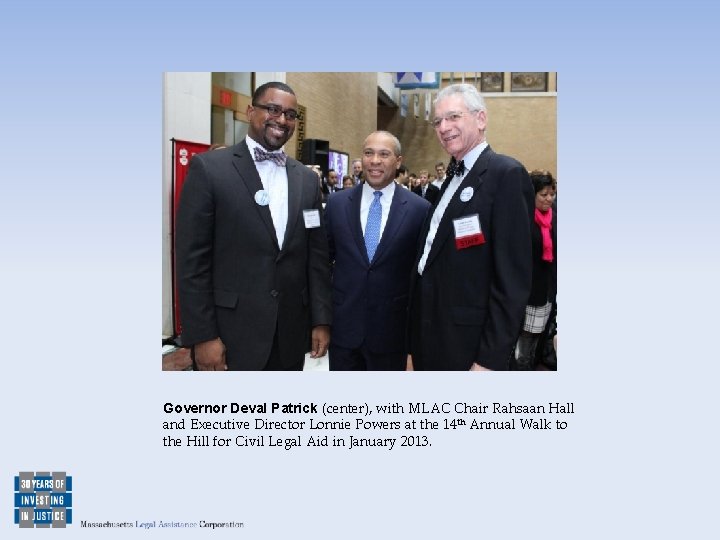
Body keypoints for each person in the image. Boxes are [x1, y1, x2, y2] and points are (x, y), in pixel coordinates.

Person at [176, 81, 332, 371]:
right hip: (229, 334)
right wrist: (202, 336)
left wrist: (320, 319)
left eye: (290, 114)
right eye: (272, 109)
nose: (281, 120)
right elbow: (191, 263)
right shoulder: (209, 170)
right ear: (250, 111)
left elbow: (317, 257)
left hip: (288, 333)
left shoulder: (307, 180)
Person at [409, 83, 534, 371]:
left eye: (453, 117)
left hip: (470, 346)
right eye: (437, 121)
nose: (443, 127)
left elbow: (512, 281)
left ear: (481, 119)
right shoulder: (450, 181)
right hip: (431, 336)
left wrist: (489, 360)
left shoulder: (506, 174)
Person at [324, 131, 430, 370]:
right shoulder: (336, 204)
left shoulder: (419, 209)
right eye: (369, 153)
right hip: (344, 334)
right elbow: (322, 264)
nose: (375, 160)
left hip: (392, 337)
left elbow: (420, 279)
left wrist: (414, 345)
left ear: (398, 161)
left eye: (384, 154)